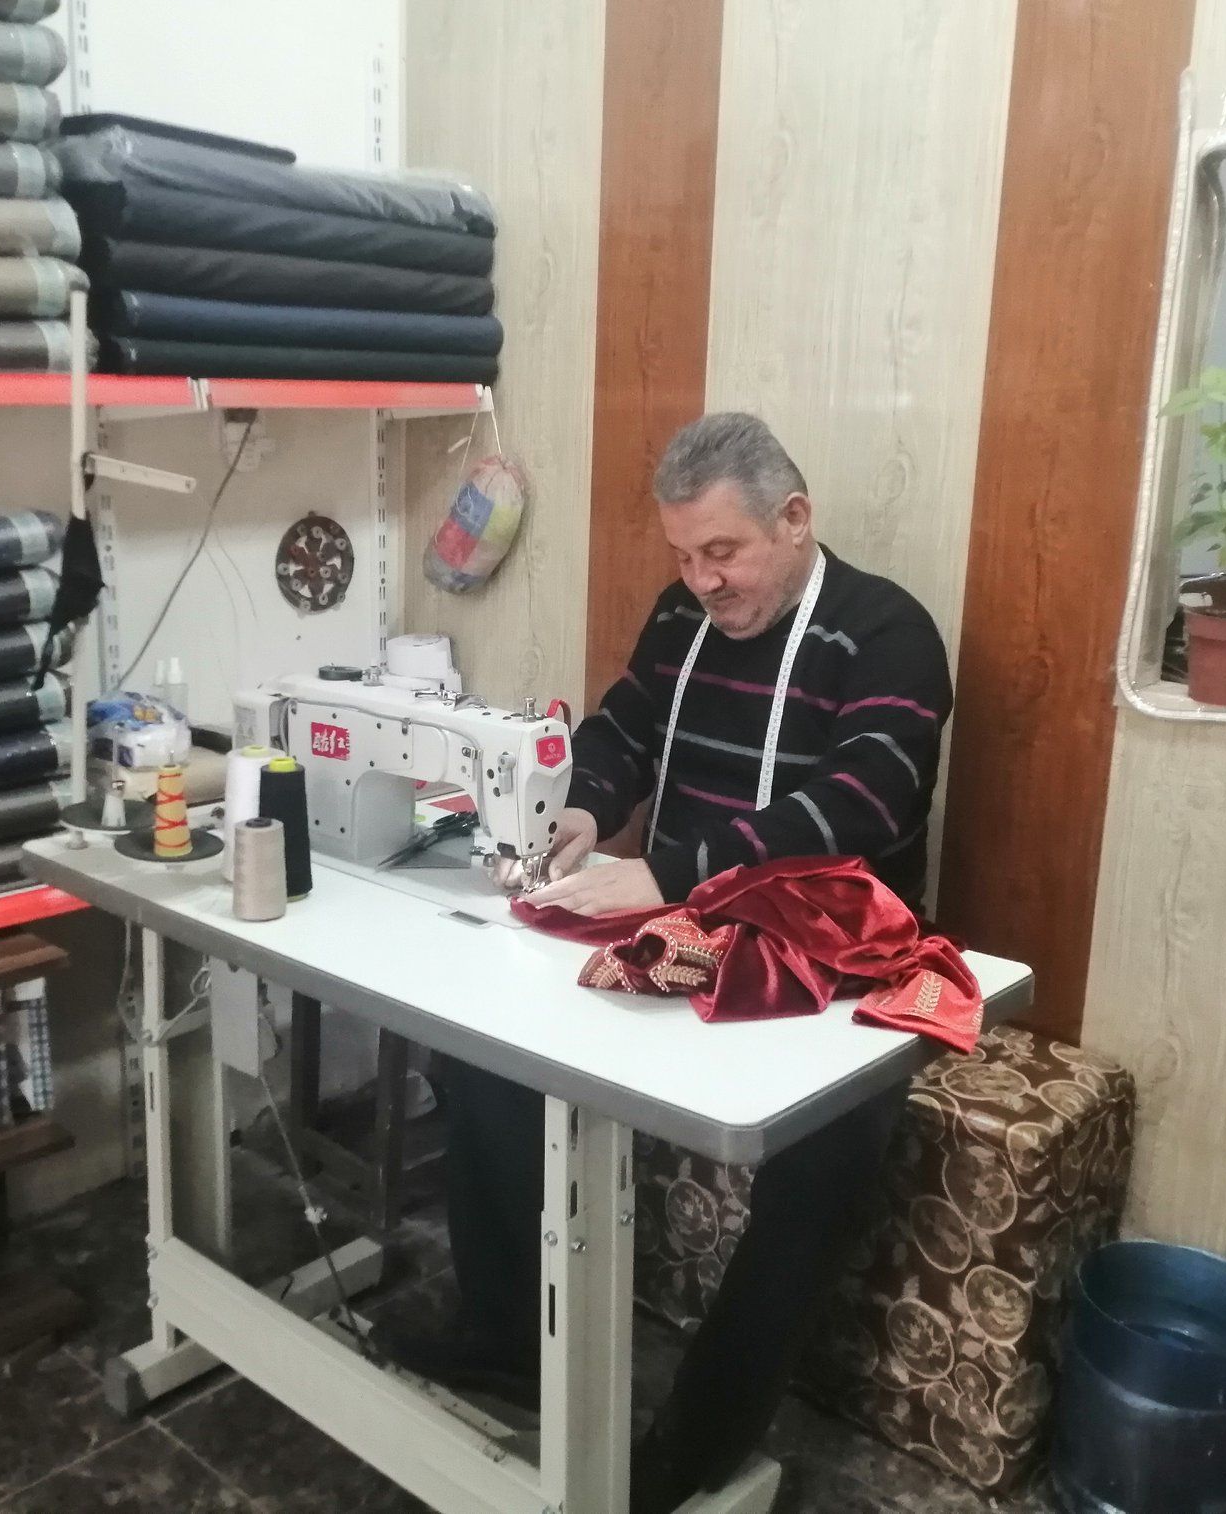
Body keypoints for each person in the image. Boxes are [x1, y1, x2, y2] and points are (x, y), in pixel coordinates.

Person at [399, 412, 954, 1514]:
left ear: (794, 520)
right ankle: (507, 1337)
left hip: (834, 954)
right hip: (684, 925)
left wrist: (670, 868)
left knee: (824, 1160)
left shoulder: (888, 635)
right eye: (685, 556)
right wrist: (579, 809)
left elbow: (865, 803)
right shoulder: (681, 619)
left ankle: (692, 1450)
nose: (701, 581)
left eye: (723, 553)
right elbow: (623, 731)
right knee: (485, 1052)